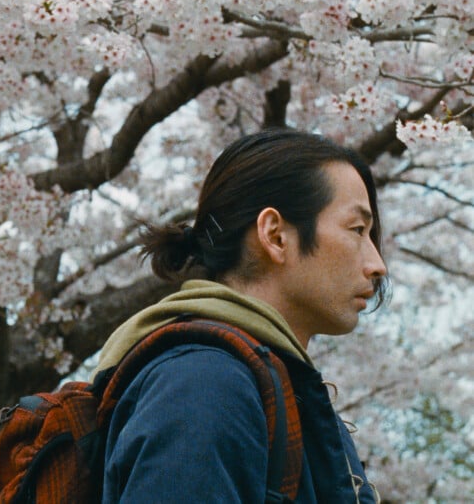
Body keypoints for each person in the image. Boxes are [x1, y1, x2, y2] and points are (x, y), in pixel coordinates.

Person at [93, 127, 385, 503]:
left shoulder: (260, 383)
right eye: (357, 229)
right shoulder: (204, 385)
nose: (377, 265)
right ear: (275, 235)